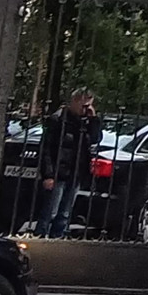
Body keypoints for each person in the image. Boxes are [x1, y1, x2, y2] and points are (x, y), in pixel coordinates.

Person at [37, 88, 102, 238]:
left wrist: (93, 120)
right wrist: (48, 175)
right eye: (84, 106)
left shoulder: (86, 121)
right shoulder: (58, 119)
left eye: (89, 105)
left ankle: (57, 240)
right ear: (74, 101)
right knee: (50, 212)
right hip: (58, 172)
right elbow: (46, 149)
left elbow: (95, 139)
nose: (86, 109)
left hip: (76, 173)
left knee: (65, 214)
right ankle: (41, 238)